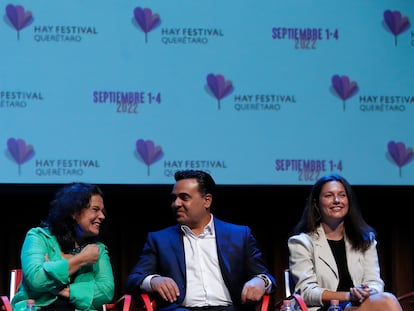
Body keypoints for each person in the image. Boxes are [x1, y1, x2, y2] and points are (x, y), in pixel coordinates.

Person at [126, 169, 277, 311]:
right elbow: (133, 279)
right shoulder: (159, 239)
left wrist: (260, 281)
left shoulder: (239, 235)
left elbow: (267, 277)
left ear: (207, 201)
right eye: (174, 198)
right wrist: (153, 281)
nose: (176, 204)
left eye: (184, 197)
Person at [287, 174, 402, 311]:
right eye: (329, 195)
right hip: (324, 308)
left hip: (360, 304)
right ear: (316, 204)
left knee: (386, 299)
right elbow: (307, 292)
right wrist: (348, 296)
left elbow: (374, 282)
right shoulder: (302, 243)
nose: (336, 200)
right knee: (387, 302)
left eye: (342, 195)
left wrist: (366, 292)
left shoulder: (365, 240)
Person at [11, 182, 115, 311]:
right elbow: (36, 280)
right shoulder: (39, 237)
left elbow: (106, 291)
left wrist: (62, 290)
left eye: (102, 210)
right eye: (95, 209)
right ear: (74, 212)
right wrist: (81, 259)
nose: (102, 216)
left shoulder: (97, 249)